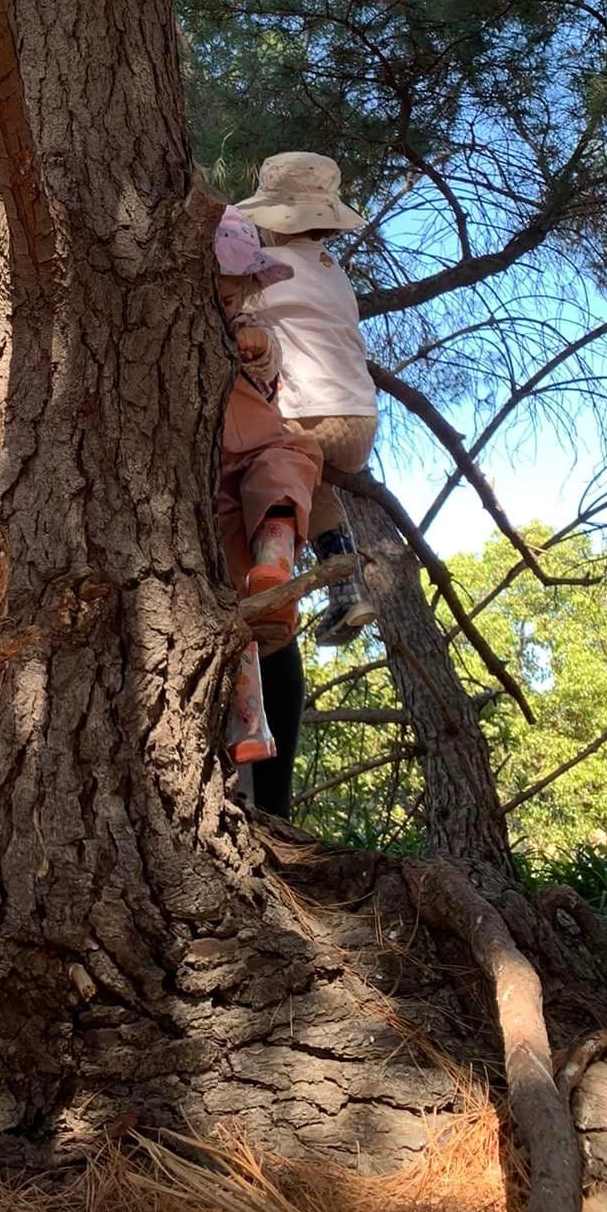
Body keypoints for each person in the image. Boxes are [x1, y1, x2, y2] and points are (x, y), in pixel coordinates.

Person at [234, 151, 378, 646]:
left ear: (273, 222)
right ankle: (346, 588)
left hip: (308, 410)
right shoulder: (336, 273)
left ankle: (272, 570)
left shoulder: (269, 269)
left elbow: (237, 318)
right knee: (317, 489)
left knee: (270, 464)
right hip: (360, 419)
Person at [214, 209, 323, 777]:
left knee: (288, 466)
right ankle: (246, 717)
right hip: (215, 479)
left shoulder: (247, 327)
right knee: (229, 594)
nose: (225, 304)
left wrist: (255, 342)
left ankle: (275, 562)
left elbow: (266, 352)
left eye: (234, 294)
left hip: (257, 452)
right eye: (218, 292)